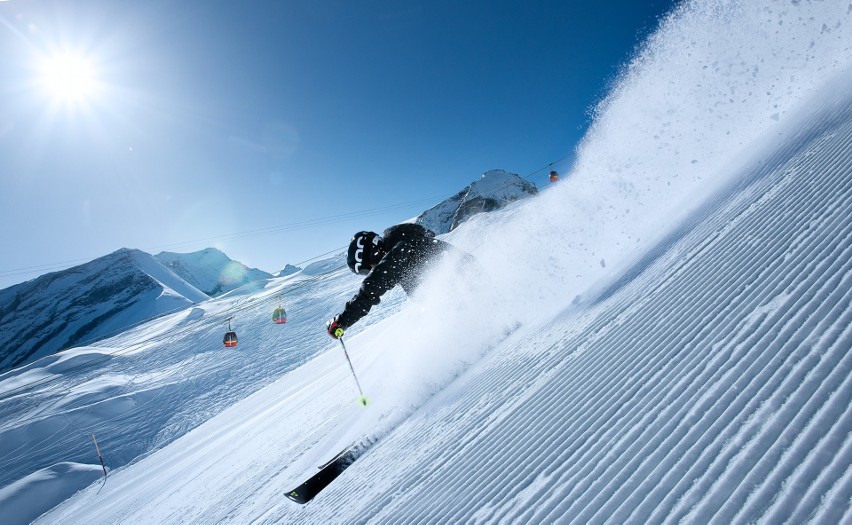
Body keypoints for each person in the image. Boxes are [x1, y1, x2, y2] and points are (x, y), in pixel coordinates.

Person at [327, 223, 457, 339]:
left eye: (370, 267)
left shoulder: (403, 247)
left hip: (465, 284)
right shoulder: (403, 250)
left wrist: (343, 321)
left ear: (374, 252)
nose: (373, 270)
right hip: (457, 300)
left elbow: (374, 285)